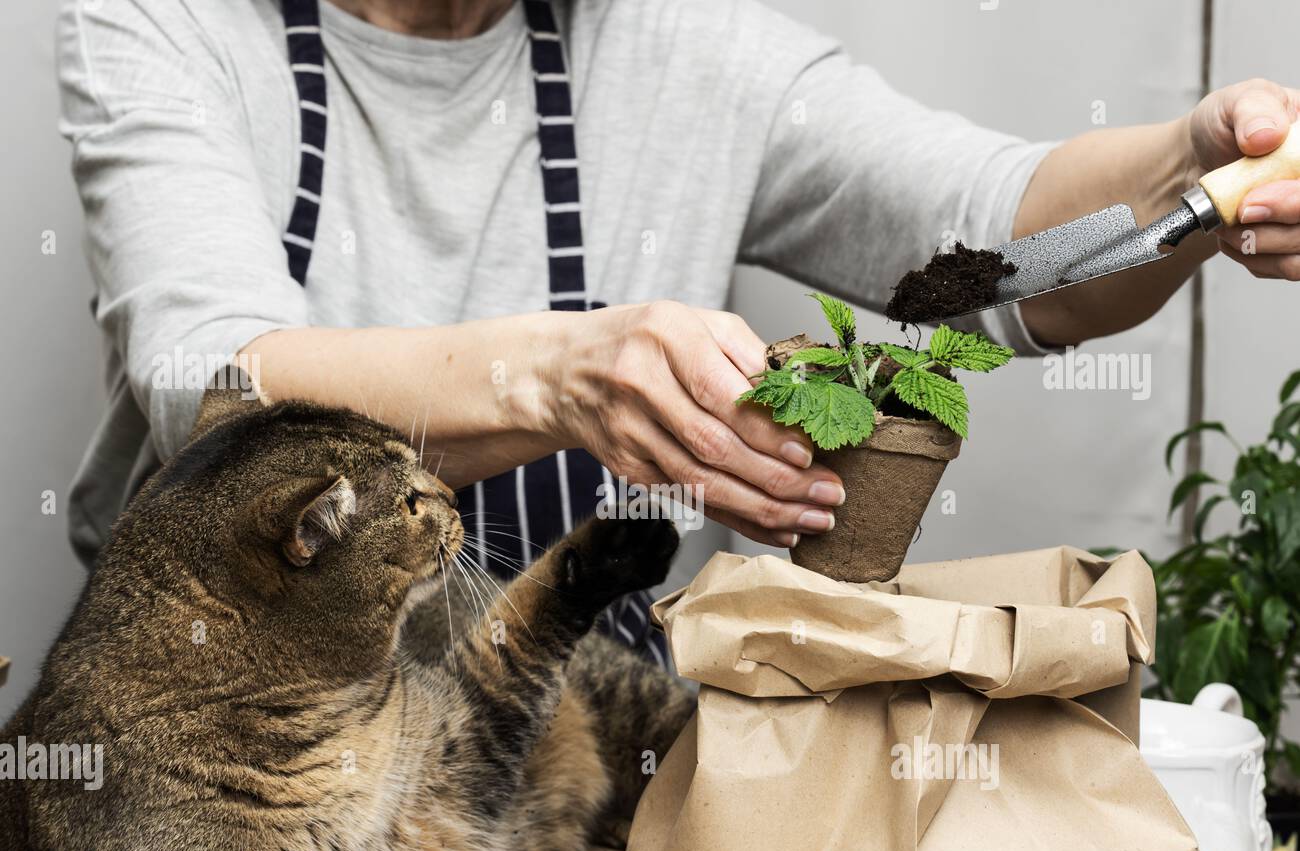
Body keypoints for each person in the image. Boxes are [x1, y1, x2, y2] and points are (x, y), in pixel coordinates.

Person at [58, 0, 1300, 663]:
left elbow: (996, 251)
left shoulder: (683, 44)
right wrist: (555, 374)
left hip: (565, 761)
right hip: (239, 748)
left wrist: (1180, 181)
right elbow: (205, 376)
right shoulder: (165, 22)